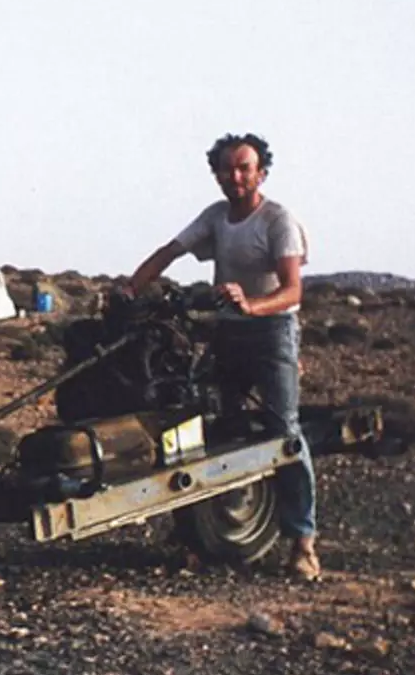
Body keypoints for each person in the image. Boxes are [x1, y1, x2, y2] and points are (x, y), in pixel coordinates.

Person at [123, 132, 320, 581]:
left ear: (260, 173)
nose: (235, 176)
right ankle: (203, 532)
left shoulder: (277, 221)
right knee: (209, 425)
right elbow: (170, 251)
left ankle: (303, 542)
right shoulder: (216, 218)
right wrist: (131, 286)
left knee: (283, 430)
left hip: (271, 333)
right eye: (227, 169)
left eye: (244, 168)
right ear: (216, 175)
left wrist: (252, 304)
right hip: (228, 333)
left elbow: (292, 289)